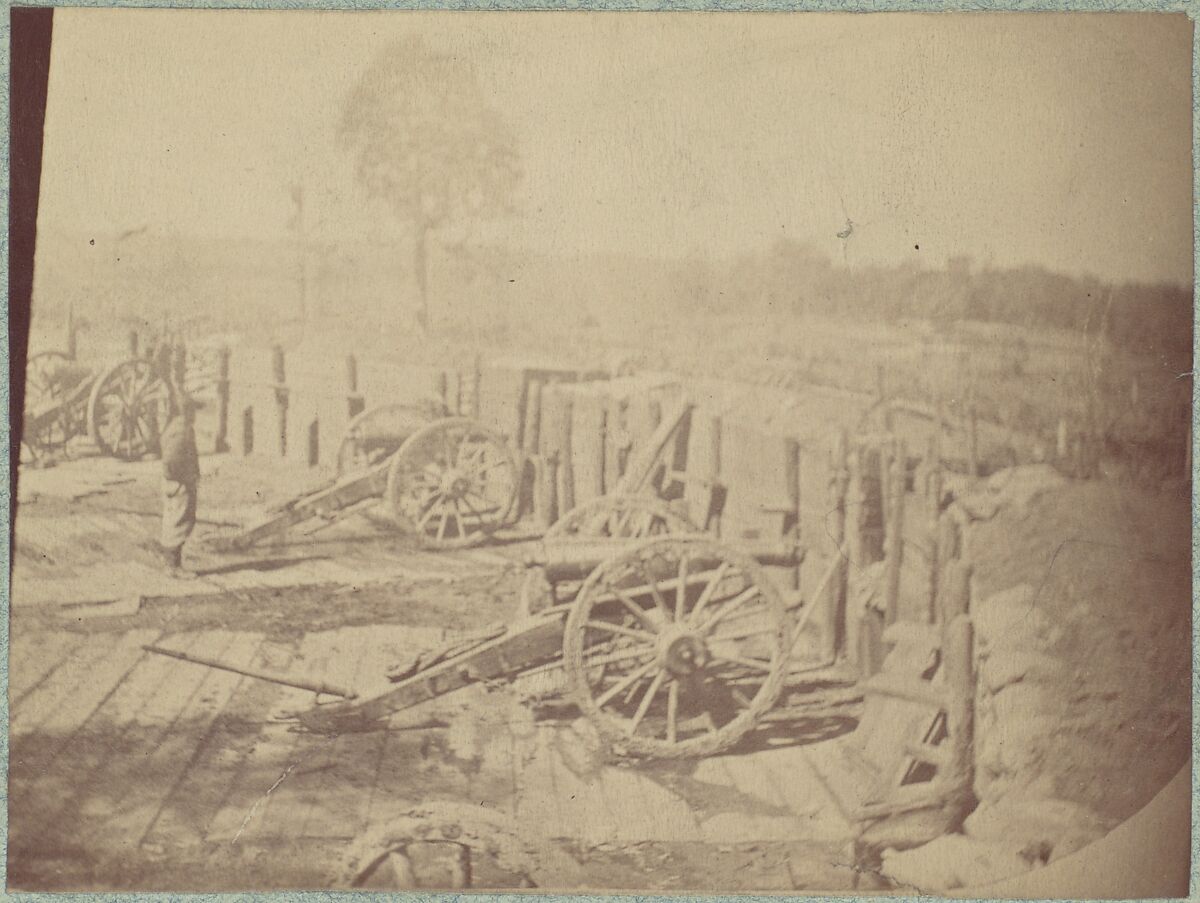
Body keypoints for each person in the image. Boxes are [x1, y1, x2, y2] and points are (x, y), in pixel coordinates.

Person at [159, 393, 200, 578]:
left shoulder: (177, 427)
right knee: (178, 522)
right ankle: (173, 566)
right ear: (187, 411)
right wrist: (181, 479)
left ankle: (172, 564)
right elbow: (170, 460)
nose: (195, 415)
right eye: (193, 411)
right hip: (179, 484)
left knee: (177, 521)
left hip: (178, 482)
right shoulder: (181, 430)